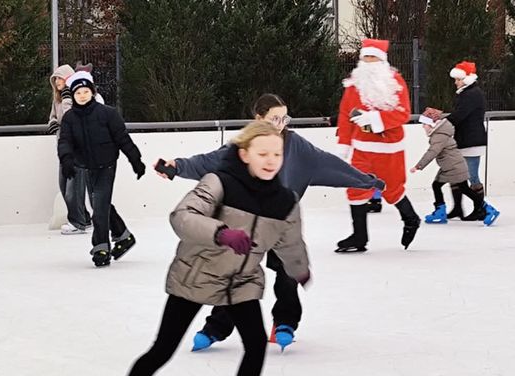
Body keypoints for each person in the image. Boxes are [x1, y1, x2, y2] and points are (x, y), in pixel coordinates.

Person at [90, 121, 311, 376]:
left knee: (255, 346)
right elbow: (183, 216)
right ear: (244, 154)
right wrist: (221, 233)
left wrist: (300, 269)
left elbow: (291, 241)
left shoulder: (284, 201)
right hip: (197, 274)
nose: (271, 160)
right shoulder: (219, 182)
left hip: (241, 282)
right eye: (263, 153)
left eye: (277, 154)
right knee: (162, 349)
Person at [156, 93, 384, 352]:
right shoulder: (243, 148)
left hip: (277, 222)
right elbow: (208, 162)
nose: (280, 124)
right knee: (235, 275)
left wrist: (366, 180)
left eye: (284, 118)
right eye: (274, 118)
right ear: (258, 119)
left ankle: (285, 323)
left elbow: (327, 164)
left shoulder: (296, 146)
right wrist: (176, 166)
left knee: (287, 274)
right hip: (244, 223)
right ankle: (216, 327)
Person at [335, 38, 421, 253]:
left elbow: (403, 113)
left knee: (392, 190)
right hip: (361, 149)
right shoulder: (353, 86)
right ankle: (359, 236)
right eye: (365, 57)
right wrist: (343, 145)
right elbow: (345, 117)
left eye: (373, 57)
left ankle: (411, 219)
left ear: (382, 60)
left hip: (389, 149)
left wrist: (375, 119)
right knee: (355, 189)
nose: (368, 61)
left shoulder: (395, 82)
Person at [47, 65, 138, 260]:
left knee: (99, 206)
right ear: (73, 94)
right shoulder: (70, 117)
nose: (82, 95)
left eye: (86, 91)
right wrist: (67, 160)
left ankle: (101, 248)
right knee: (100, 204)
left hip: (106, 166)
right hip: (86, 166)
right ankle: (124, 236)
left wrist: (135, 159)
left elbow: (123, 138)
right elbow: (65, 142)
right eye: (78, 92)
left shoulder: (108, 113)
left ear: (92, 92)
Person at [423, 61, 489, 220]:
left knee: (472, 176)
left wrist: (439, 122)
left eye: (458, 79)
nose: (455, 82)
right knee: (456, 175)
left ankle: (480, 209)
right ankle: (458, 208)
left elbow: (459, 116)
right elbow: (458, 115)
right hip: (465, 139)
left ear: (467, 78)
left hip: (472, 140)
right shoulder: (466, 93)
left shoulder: (471, 94)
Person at [410, 115, 498, 226]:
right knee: (438, 185)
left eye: (424, 124)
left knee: (463, 189)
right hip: (450, 166)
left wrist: (418, 166)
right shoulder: (440, 134)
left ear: (431, 124)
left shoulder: (439, 136)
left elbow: (432, 152)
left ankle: (489, 209)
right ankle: (440, 212)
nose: (423, 127)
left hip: (454, 167)